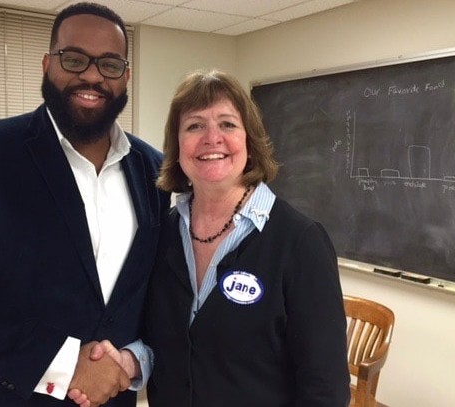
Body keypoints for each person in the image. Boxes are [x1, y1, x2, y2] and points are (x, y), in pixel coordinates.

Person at [0, 2, 169, 407]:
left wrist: (133, 360)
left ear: (126, 76)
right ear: (48, 64)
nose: (93, 75)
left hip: (110, 398)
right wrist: (64, 363)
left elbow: (151, 294)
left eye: (110, 64)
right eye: (75, 59)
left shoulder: (153, 171)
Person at [71, 70, 351, 407]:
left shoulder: (300, 242)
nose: (211, 138)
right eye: (194, 126)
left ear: (250, 139)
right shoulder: (163, 233)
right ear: (177, 146)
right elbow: (165, 342)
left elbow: (325, 388)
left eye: (228, 124)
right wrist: (128, 362)